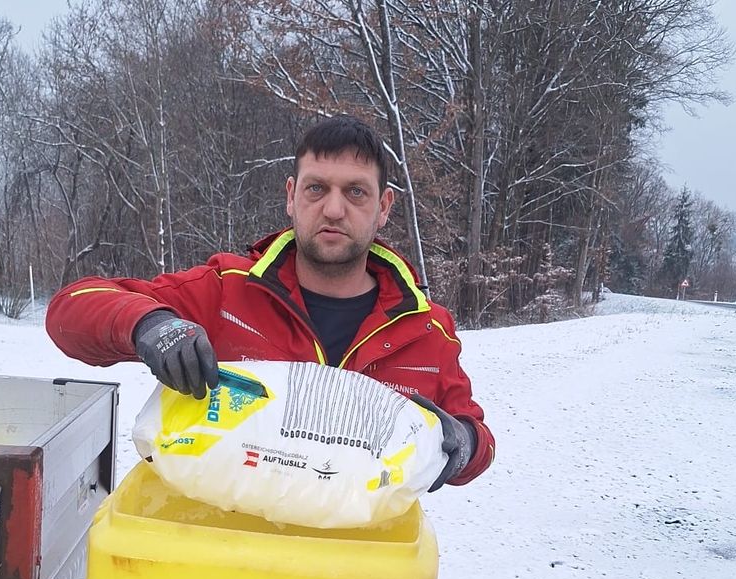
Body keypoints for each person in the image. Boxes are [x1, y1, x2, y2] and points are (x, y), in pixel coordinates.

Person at [46, 116, 494, 491]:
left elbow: (476, 438)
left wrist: (462, 444)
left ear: (384, 207)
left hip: (356, 572)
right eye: (317, 189)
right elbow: (71, 308)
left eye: (356, 192)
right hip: (221, 560)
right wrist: (150, 325)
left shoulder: (425, 330)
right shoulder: (227, 293)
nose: (334, 210)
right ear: (291, 197)